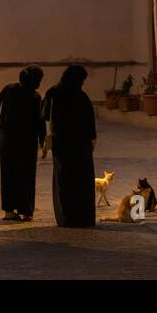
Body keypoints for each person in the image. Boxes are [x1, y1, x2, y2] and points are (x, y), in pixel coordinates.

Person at [43, 64, 97, 228]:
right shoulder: (81, 96)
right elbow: (90, 122)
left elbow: (45, 117)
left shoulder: (53, 92)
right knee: (82, 181)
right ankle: (84, 217)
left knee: (64, 179)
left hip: (63, 144)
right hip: (80, 146)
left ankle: (66, 218)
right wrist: (92, 141)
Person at [0, 65, 46, 221]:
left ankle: (9, 210)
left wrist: (5, 122)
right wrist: (43, 142)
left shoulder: (9, 89)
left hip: (7, 139)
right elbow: (40, 122)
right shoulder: (35, 97)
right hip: (27, 141)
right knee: (27, 176)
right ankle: (26, 210)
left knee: (8, 174)